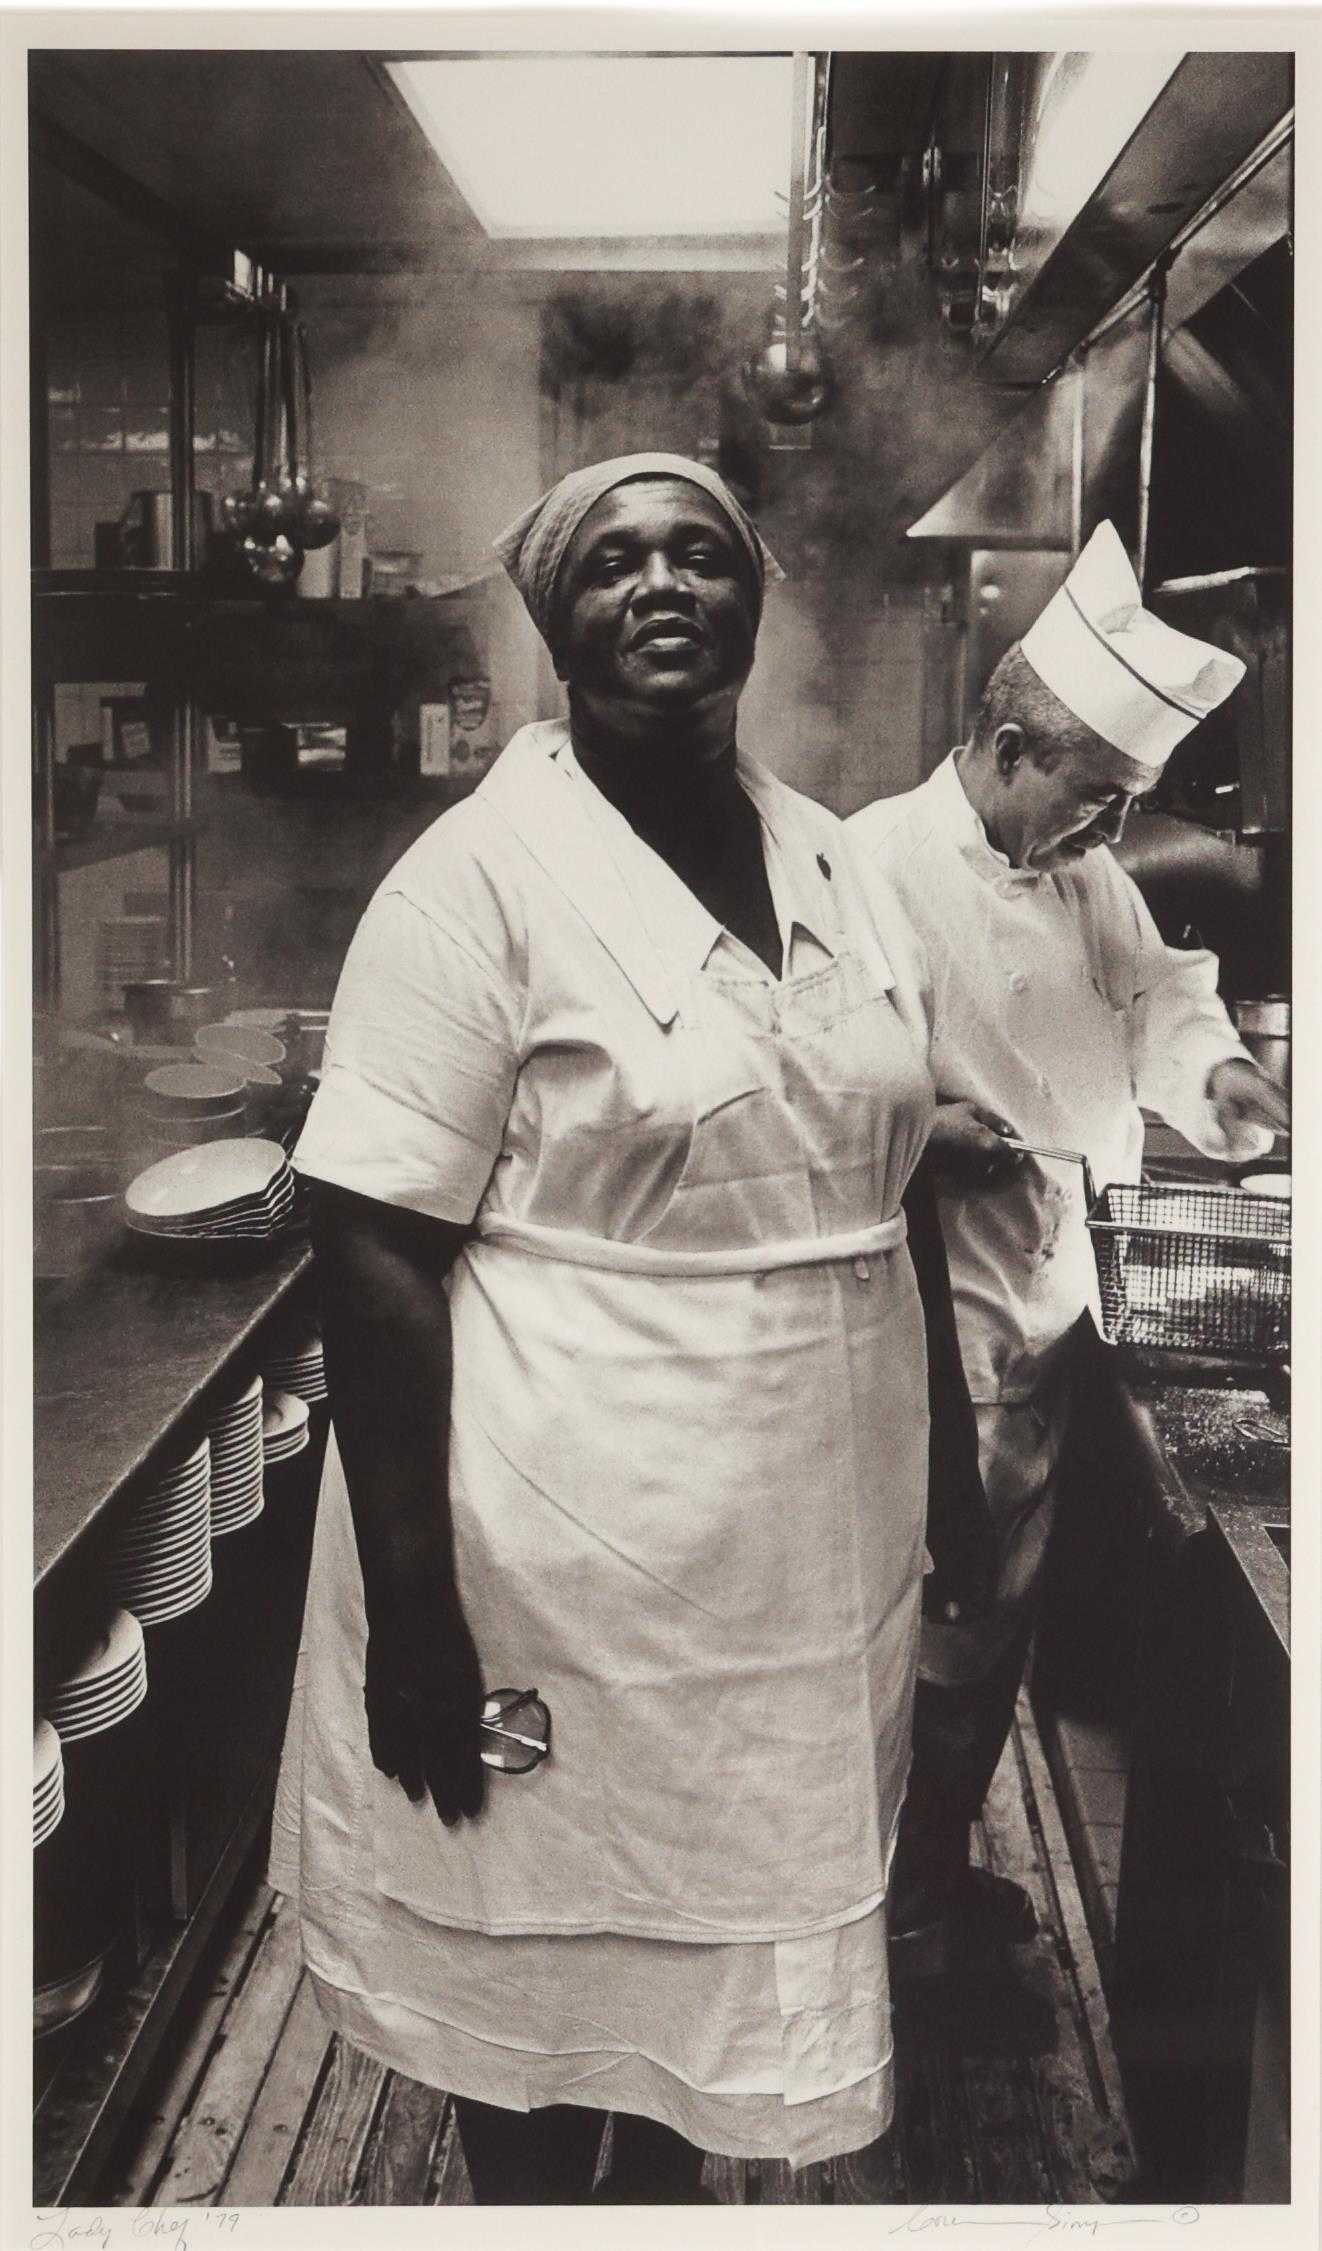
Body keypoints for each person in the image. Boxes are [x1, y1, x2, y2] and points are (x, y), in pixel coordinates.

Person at [268, 453, 990, 2202]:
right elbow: (371, 1250)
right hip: (552, 1546)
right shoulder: (474, 885)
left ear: (752, 600)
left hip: (800, 1558)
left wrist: (950, 1467)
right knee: (531, 1954)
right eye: (611, 562)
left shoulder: (834, 856)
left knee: (719, 1963)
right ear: (553, 619)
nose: (658, 584)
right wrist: (419, 1619)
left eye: (697, 555)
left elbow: (895, 1184)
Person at [848, 520, 1290, 1957]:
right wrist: (916, 1131)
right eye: (1097, 799)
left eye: (1122, 807)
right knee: (927, 1621)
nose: (1113, 835)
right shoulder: (867, 874)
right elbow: (814, 1099)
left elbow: (1155, 983)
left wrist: (1209, 1068)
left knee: (992, 1626)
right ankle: (886, 1898)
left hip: (1047, 1288)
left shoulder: (1072, 859)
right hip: (930, 1317)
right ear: (1012, 744)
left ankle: (920, 1878)